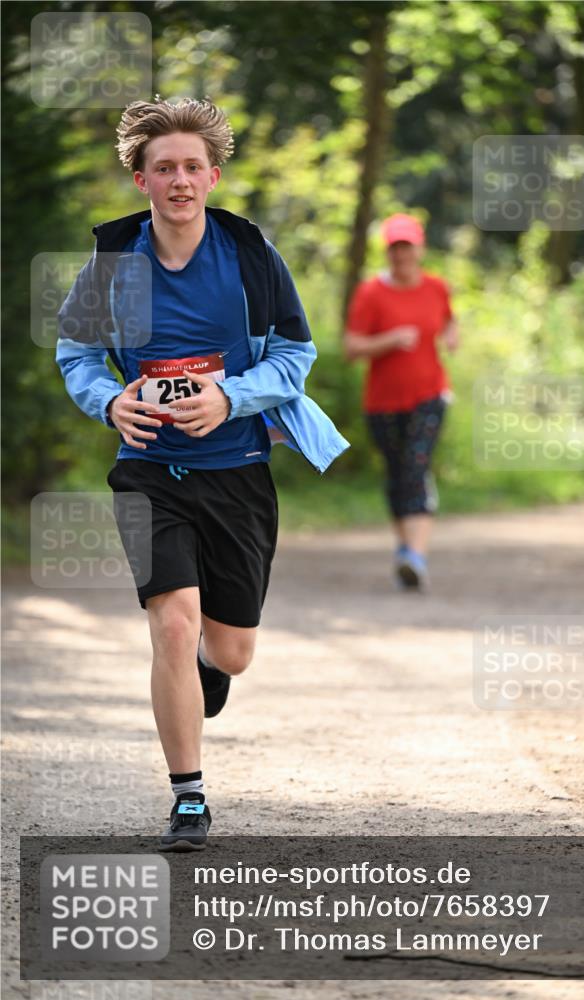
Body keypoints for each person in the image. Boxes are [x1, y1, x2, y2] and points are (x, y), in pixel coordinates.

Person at [56, 97, 349, 851]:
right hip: (148, 470)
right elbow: (77, 353)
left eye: (192, 167)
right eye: (164, 169)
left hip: (238, 467)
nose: (179, 180)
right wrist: (108, 401)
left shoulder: (249, 254)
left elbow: (296, 355)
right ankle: (188, 797)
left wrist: (230, 397)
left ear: (213, 176)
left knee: (230, 652)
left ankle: (204, 666)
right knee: (171, 619)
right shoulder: (113, 264)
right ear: (141, 180)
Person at [343, 213, 458, 591]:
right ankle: (407, 550)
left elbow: (449, 320)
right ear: (387, 252)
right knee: (398, 473)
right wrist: (390, 340)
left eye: (407, 246)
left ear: (420, 249)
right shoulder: (371, 293)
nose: (402, 254)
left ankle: (416, 557)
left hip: (430, 395)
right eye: (395, 248)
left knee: (415, 466)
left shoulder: (436, 288)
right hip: (383, 404)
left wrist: (451, 336)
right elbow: (351, 347)